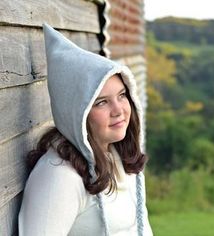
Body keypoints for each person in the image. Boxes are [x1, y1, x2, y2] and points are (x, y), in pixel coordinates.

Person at [18, 23, 153, 236]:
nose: (119, 110)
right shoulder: (59, 176)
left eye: (122, 95)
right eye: (101, 102)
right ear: (77, 112)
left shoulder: (116, 154)